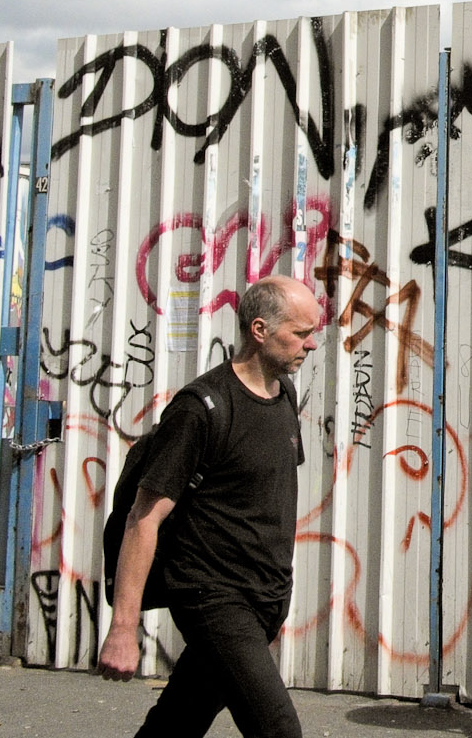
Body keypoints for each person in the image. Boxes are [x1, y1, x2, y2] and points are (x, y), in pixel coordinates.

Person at [98, 274, 321, 738]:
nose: (312, 344)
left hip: (267, 596)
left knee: (180, 720)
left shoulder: (283, 398)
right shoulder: (202, 409)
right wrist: (123, 627)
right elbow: (144, 518)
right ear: (260, 330)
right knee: (278, 730)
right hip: (213, 596)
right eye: (301, 333)